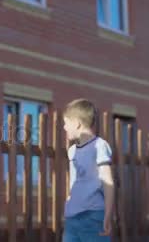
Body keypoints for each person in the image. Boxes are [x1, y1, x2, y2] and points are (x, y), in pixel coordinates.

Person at [62, 99, 115, 242]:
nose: (64, 127)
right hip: (72, 219)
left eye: (66, 123)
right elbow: (74, 181)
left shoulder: (99, 146)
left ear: (77, 123)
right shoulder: (72, 151)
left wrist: (107, 215)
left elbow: (108, 182)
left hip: (92, 217)